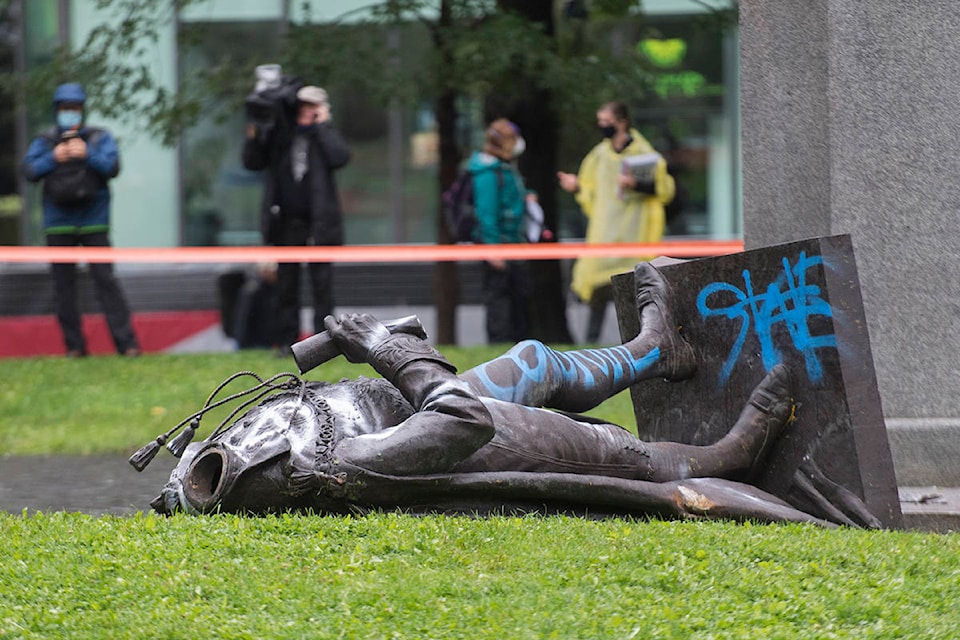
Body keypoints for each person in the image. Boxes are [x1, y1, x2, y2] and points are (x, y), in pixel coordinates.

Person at [144, 263, 878, 527]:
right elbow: (458, 420)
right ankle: (736, 453)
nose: (233, 447)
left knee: (534, 359)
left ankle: (654, 352)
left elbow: (180, 488)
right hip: (473, 426)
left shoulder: (232, 462)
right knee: (630, 459)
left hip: (422, 400)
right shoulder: (341, 465)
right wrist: (392, 351)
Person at [21, 82, 140, 358]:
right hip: (58, 222)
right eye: (65, 109)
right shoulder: (45, 140)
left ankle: (128, 345)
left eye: (75, 108)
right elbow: (28, 171)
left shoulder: (99, 138)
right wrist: (54, 157)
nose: (70, 114)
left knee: (106, 282)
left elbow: (112, 167)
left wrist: (88, 154)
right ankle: (74, 347)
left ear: (83, 110)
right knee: (63, 287)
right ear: (57, 110)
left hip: (94, 220)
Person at [241, 84, 351, 355]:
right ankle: (287, 342)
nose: (306, 112)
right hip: (285, 223)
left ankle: (324, 344)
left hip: (319, 223)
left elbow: (340, 157)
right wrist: (255, 130)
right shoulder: (282, 136)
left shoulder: (324, 136)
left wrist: (323, 126)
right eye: (303, 106)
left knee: (321, 287)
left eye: (313, 107)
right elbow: (253, 161)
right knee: (286, 288)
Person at [558, 101, 675, 343]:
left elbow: (664, 190)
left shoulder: (643, 153)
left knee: (634, 295)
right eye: (600, 122)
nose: (602, 127)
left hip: (634, 238)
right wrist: (576, 185)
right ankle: (590, 345)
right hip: (604, 238)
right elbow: (589, 187)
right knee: (597, 293)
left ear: (621, 122)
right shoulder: (599, 156)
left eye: (606, 122)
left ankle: (639, 342)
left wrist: (636, 185)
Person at [468, 118, 534, 343]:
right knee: (500, 305)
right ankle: (500, 352)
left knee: (519, 304)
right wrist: (493, 249)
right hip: (500, 248)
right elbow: (487, 214)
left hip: (514, 245)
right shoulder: (487, 173)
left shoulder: (505, 169)